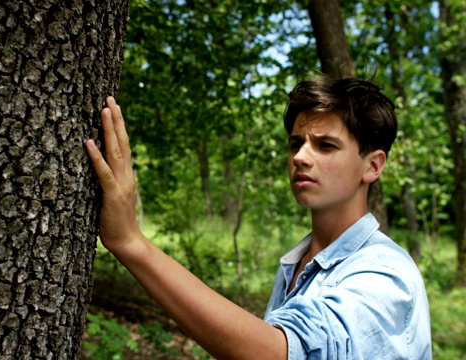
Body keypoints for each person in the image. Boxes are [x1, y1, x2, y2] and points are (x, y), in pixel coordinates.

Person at [85, 76, 432, 359]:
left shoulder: (385, 273)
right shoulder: (299, 262)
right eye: (296, 143)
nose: (301, 157)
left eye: (325, 146)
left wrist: (131, 242)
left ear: (373, 166)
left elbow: (280, 353)